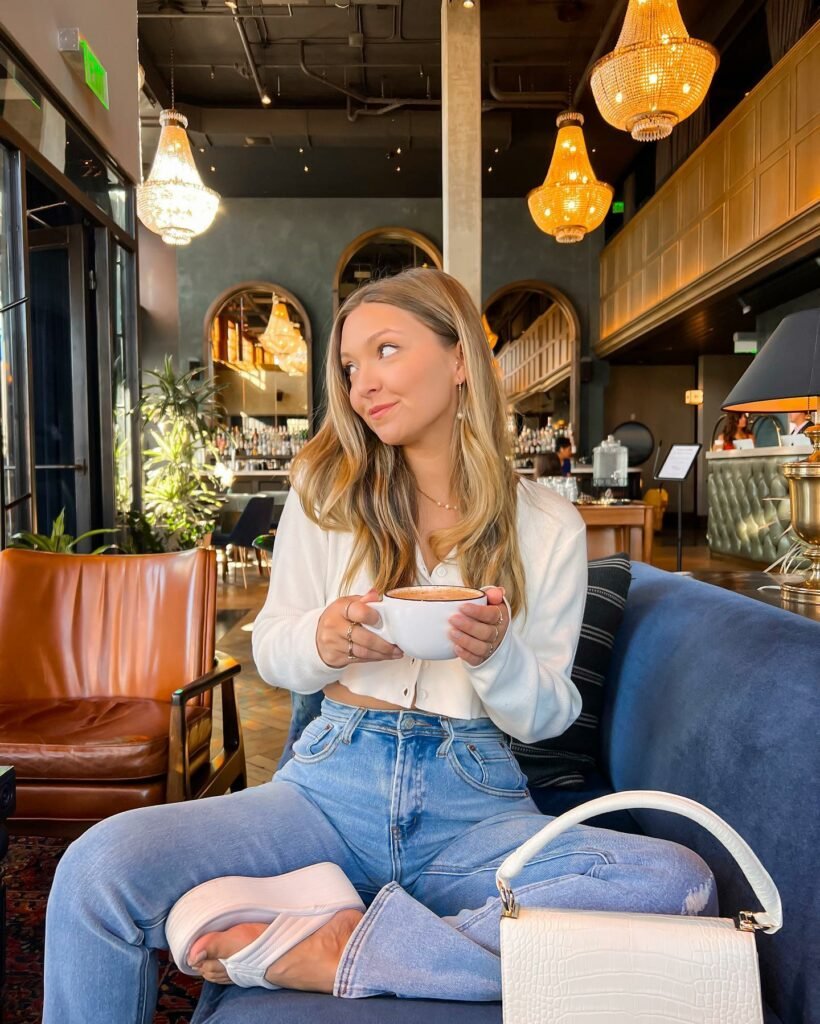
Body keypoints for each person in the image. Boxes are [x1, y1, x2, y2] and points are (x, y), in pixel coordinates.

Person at [43, 268, 716, 1022]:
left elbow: (548, 716)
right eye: (349, 365)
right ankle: (412, 935)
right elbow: (273, 650)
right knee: (95, 872)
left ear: (459, 358)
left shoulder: (548, 522)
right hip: (328, 790)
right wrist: (323, 639)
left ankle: (346, 948)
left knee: (677, 882)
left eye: (386, 350)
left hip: (477, 805)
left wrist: (497, 655)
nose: (362, 383)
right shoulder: (326, 498)